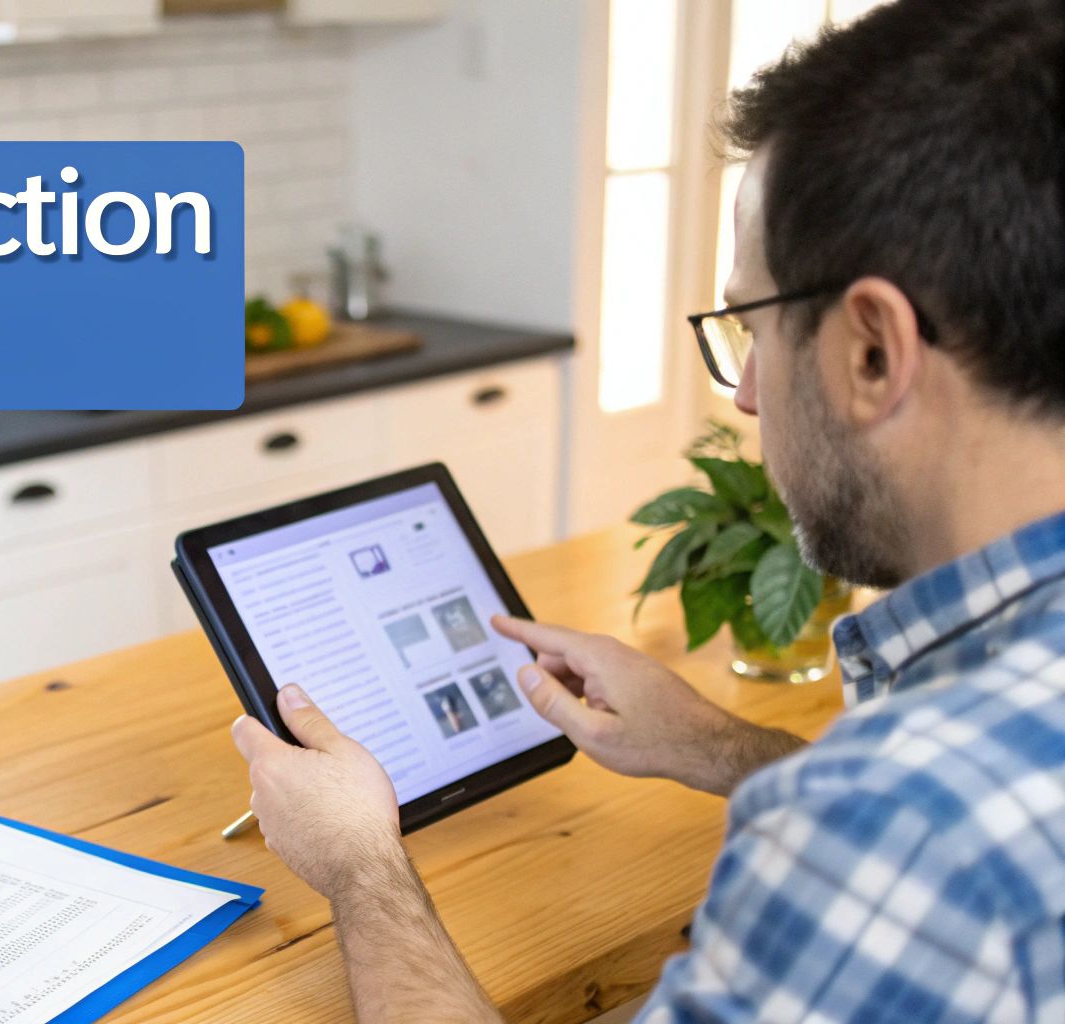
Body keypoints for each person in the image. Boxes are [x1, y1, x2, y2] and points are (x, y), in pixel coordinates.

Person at [229, 1, 1065, 1019]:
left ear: (871, 351)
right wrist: (712, 745)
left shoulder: (900, 822)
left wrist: (361, 864)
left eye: (751, 326)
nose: (745, 392)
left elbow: (911, 830)